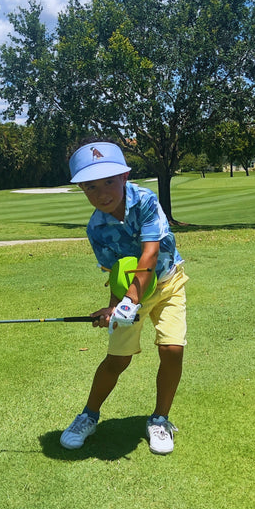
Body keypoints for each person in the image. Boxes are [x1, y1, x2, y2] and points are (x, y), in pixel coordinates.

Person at [60, 141, 188, 455]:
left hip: (168, 283)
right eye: (91, 186)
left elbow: (150, 253)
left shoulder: (145, 200)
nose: (102, 193)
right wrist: (113, 308)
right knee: (118, 359)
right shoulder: (96, 229)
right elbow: (117, 272)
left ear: (124, 176)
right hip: (131, 293)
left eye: (109, 181)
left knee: (172, 348)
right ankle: (88, 416)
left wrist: (128, 302)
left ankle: (160, 420)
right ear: (82, 189)